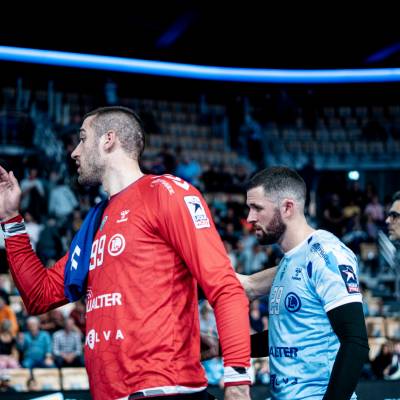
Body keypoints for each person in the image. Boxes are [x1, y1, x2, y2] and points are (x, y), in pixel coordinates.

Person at [0, 106, 251, 400]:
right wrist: (10, 218)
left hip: (166, 391)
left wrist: (237, 383)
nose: (74, 152)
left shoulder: (166, 192)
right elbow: (38, 295)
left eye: (83, 138)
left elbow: (225, 287)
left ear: (109, 139)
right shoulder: (95, 220)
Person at [238, 167, 369, 399]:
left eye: (257, 208)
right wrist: (220, 347)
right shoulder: (289, 261)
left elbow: (355, 341)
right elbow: (283, 337)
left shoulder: (326, 254)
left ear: (287, 207)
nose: (250, 218)